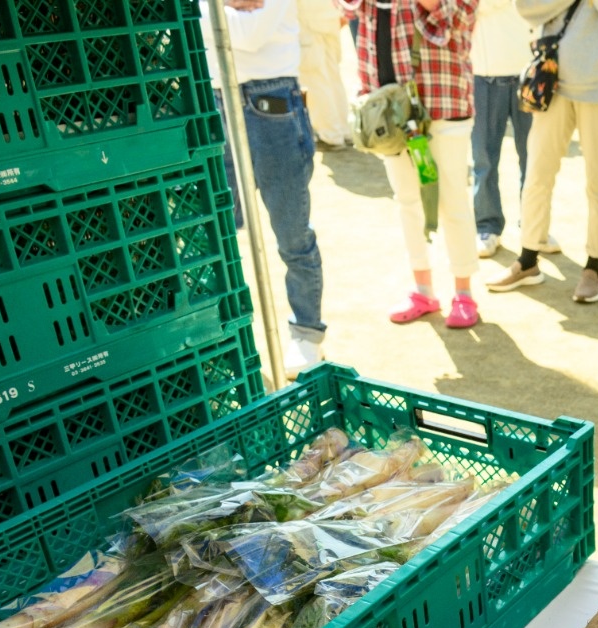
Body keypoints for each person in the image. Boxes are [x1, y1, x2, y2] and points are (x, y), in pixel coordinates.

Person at [201, 0, 330, 375]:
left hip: (273, 104)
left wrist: (207, 9)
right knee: (215, 235)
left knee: (292, 234)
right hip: (214, 99)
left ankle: (306, 332)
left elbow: (245, 35)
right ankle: (220, 334)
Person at [488, 0, 598, 303]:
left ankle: (594, 267)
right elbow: (528, 8)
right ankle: (528, 259)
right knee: (537, 175)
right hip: (552, 80)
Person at [349, 0, 483, 329]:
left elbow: (457, 17)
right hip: (388, 110)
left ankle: (463, 294)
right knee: (407, 201)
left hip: (442, 101)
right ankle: (423, 289)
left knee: (452, 200)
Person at [471, 0, 534, 257]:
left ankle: (533, 225)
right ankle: (487, 226)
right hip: (485, 75)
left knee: (534, 159)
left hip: (529, 73)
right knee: (484, 158)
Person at [298, 0, 354, 148]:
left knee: (315, 79)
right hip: (330, 15)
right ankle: (342, 129)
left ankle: (331, 135)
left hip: (309, 20)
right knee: (331, 75)